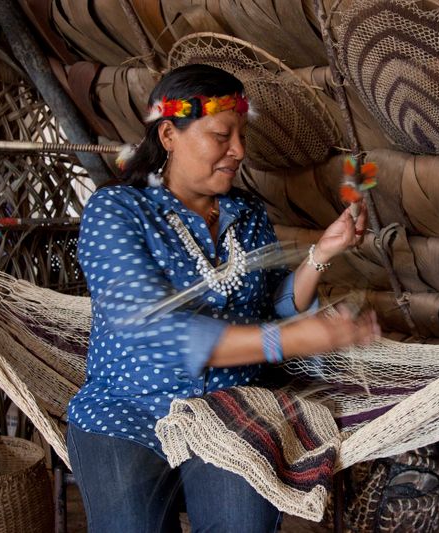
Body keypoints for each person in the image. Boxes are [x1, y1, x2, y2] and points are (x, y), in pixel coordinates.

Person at [67, 64, 380, 532]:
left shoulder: (247, 214)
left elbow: (272, 305)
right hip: (128, 406)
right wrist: (287, 342)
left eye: (240, 135)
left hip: (230, 408)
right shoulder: (118, 212)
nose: (239, 151)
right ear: (169, 135)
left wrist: (322, 253)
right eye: (221, 135)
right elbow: (151, 328)